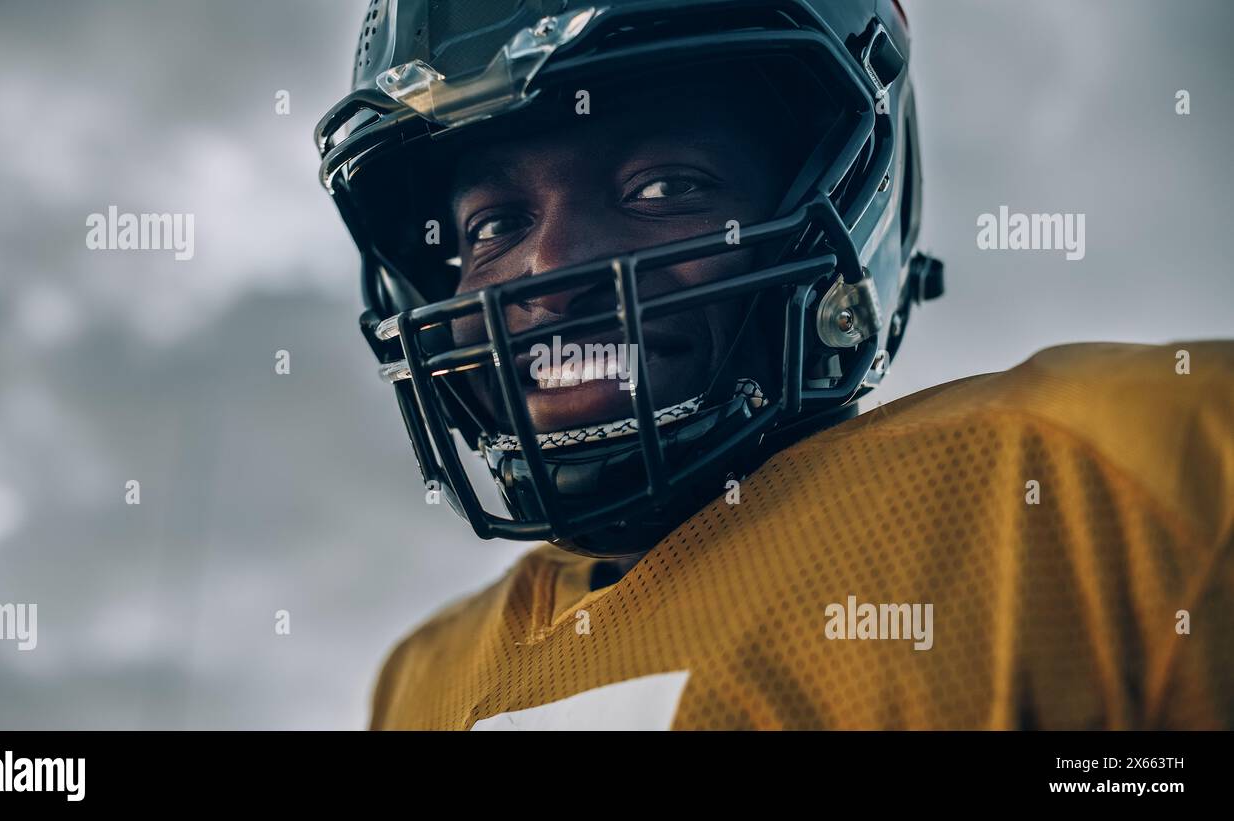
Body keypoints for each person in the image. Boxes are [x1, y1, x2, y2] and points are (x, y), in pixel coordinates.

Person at [316, 0, 1233, 729]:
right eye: (493, 226)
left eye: (665, 187)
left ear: (839, 192)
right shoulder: (422, 683)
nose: (550, 270)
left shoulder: (1110, 483)